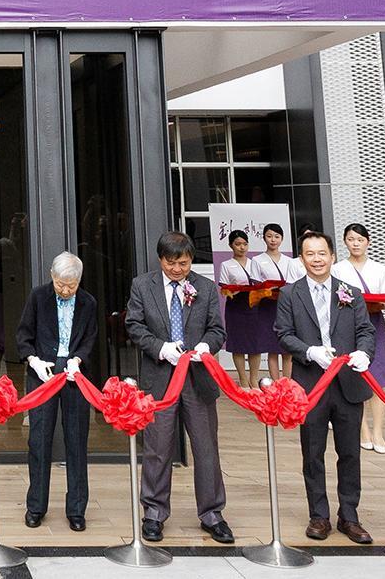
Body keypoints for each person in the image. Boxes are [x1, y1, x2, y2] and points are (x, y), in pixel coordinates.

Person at [123, 232, 233, 544]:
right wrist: (160, 347)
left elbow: (217, 330)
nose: (177, 269)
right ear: (161, 259)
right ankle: (154, 512)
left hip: (197, 379)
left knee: (205, 448)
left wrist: (204, 346)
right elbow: (134, 325)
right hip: (159, 377)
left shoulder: (205, 287)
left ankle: (212, 513)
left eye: (183, 263)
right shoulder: (142, 286)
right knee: (158, 449)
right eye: (171, 263)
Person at [274, 230, 377, 545]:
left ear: (332, 256)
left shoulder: (350, 292)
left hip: (347, 384)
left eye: (322, 253)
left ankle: (350, 516)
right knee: (313, 453)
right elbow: (283, 333)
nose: (317, 259)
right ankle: (318, 515)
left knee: (349, 453)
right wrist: (309, 351)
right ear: (302, 259)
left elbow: (366, 331)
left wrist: (364, 353)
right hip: (311, 384)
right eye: (310, 254)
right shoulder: (290, 294)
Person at [15, 251, 97, 532]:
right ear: (52, 277)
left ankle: (76, 509)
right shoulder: (38, 297)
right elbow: (23, 336)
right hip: (43, 372)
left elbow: (89, 340)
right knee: (39, 440)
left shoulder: (88, 303)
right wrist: (33, 361)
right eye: (60, 284)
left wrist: (78, 360)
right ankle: (36, 506)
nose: (65, 290)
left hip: (73, 374)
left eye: (71, 286)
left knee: (76, 441)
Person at [334, 222, 385, 454]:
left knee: (378, 377)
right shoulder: (338, 268)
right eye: (351, 239)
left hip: (375, 323)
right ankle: (363, 431)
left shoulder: (379, 269)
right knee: (354, 377)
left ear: (368, 242)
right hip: (347, 325)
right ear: (345, 242)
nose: (356, 244)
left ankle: (379, 431)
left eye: (360, 240)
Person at [250, 223, 303, 385]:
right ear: (264, 238)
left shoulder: (290, 261)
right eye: (269, 236)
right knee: (272, 347)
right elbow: (255, 284)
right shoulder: (257, 260)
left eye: (277, 236)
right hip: (267, 306)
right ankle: (275, 384)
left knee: (287, 349)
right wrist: (268, 289)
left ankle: (286, 383)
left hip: (286, 305)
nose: (273, 240)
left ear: (282, 239)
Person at [217, 229, 269, 390]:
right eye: (238, 244)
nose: (242, 247)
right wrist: (234, 290)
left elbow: (262, 283)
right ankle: (242, 378)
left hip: (254, 304)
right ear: (231, 246)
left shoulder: (255, 263)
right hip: (236, 305)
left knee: (255, 343)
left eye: (245, 244)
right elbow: (224, 288)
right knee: (238, 343)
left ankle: (254, 379)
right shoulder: (226, 265)